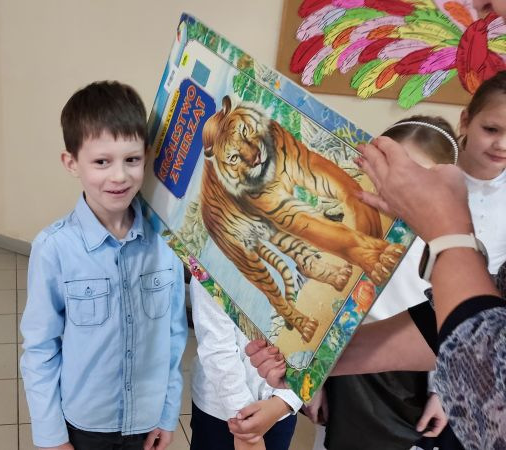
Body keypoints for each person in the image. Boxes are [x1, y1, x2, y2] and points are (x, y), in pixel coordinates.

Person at [246, 133, 506, 449]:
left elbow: (479, 352)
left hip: (414, 398)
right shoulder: (343, 230)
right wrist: (309, 365)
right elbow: (456, 327)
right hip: (356, 379)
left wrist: (447, 231)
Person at [19, 81, 188, 450]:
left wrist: (167, 413)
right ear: (71, 163)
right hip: (85, 425)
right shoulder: (54, 248)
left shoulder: (166, 242)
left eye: (132, 160)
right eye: (101, 162)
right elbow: (40, 348)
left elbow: (174, 335)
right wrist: (51, 437)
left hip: (146, 421)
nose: (119, 176)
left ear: (146, 155)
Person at [318, 115, 460, 450]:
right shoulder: (348, 227)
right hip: (344, 365)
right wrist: (315, 381)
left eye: (414, 179)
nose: (397, 192)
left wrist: (443, 391)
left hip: (408, 384)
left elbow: (449, 329)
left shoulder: (447, 247)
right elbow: (323, 307)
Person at [188, 280, 301, 450]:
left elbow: (316, 347)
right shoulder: (213, 268)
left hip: (280, 410)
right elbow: (217, 349)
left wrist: (284, 401)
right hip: (221, 410)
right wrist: (246, 429)